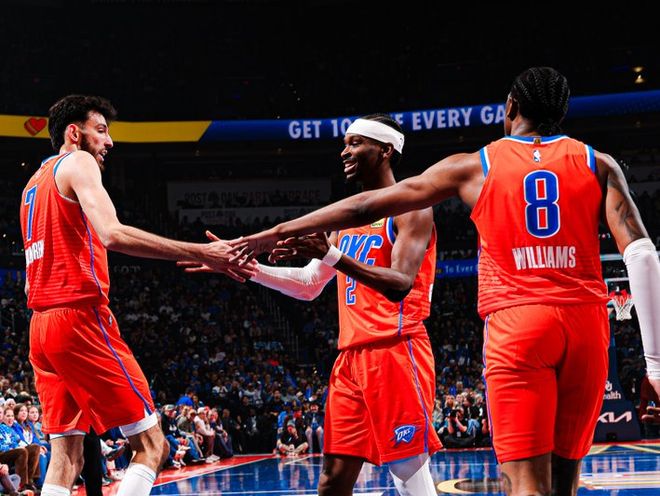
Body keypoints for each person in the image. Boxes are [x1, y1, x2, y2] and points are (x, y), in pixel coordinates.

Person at [233, 67, 660, 496]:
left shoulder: (475, 165)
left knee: (526, 484)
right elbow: (642, 255)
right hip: (585, 322)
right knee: (565, 480)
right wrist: (656, 366)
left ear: (510, 106)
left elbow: (365, 207)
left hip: (514, 322)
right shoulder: (598, 162)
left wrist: (271, 234)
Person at [183, 114, 441, 496]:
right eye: (345, 143)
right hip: (350, 359)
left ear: (386, 150)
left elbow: (400, 284)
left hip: (395, 350)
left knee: (408, 474)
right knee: (332, 482)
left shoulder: (412, 207)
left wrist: (333, 256)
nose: (345, 151)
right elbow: (308, 285)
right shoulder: (344, 221)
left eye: (356, 143)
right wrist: (250, 269)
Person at [19, 95, 255, 496]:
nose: (109, 141)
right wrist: (204, 253)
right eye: (101, 130)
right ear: (74, 133)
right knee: (152, 445)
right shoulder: (78, 162)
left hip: (40, 328)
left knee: (66, 457)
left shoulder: (32, 185)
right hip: (78, 319)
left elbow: (29, 282)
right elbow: (112, 234)